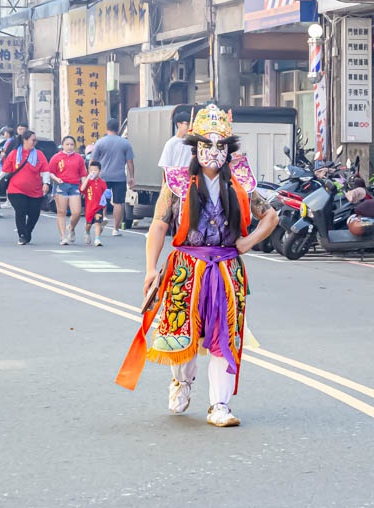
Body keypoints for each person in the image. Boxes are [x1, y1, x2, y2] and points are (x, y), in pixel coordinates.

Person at [116, 104, 278, 427]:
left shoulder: (240, 182)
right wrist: (151, 269)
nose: (214, 151)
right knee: (183, 335)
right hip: (187, 268)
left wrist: (246, 243)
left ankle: (220, 405)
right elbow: (159, 226)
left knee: (223, 335)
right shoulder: (177, 182)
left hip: (226, 271)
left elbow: (270, 216)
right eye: (207, 143)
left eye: (221, 144)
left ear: (229, 149)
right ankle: (182, 381)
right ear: (195, 146)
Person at [1, 130, 50, 245]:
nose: (34, 142)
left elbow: (45, 170)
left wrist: (46, 183)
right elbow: (5, 170)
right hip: (16, 189)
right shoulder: (14, 154)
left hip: (35, 190)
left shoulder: (39, 154)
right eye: (33, 140)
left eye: (35, 140)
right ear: (25, 140)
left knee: (34, 213)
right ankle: (22, 234)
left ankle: (28, 231)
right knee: (21, 210)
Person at [91, 118, 135, 236]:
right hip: (119, 177)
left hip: (102, 176)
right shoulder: (125, 143)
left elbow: (93, 160)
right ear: (118, 128)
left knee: (101, 200)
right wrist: (132, 177)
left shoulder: (100, 142)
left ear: (107, 128)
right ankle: (116, 229)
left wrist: (91, 174)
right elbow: (130, 162)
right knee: (118, 202)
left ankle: (103, 218)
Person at [48, 136, 88, 245]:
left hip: (74, 186)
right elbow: (50, 172)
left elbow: (83, 174)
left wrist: (84, 187)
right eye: (67, 144)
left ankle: (71, 227)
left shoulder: (79, 158)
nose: (69, 147)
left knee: (77, 212)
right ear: (63, 145)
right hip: (61, 186)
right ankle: (63, 236)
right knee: (61, 212)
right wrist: (56, 179)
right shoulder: (56, 157)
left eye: (71, 144)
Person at [81, 161, 109, 247]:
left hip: (98, 207)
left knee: (97, 223)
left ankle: (97, 239)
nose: (93, 172)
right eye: (91, 170)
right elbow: (82, 189)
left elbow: (105, 195)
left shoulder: (102, 183)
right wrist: (88, 178)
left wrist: (104, 207)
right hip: (89, 207)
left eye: (95, 170)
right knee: (89, 224)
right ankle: (87, 231)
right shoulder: (88, 182)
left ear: (100, 171)